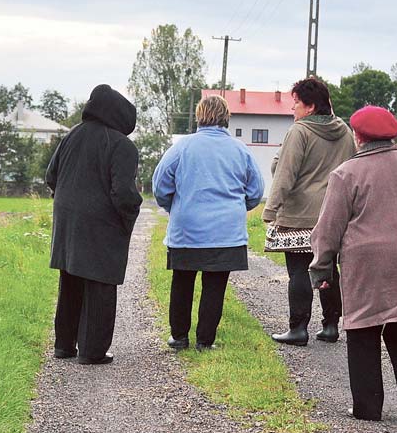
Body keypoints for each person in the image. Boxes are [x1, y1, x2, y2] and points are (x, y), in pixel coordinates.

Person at [309, 105, 397, 420]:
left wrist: (321, 268)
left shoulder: (346, 174)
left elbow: (329, 227)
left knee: (363, 327)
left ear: (358, 137)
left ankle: (368, 407)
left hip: (367, 260)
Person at [152, 95, 264, 351]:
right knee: (215, 286)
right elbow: (256, 191)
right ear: (226, 117)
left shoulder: (181, 147)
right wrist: (236, 208)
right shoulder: (240, 150)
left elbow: (160, 186)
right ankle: (205, 340)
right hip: (226, 233)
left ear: (199, 116)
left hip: (187, 230)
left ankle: (179, 336)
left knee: (182, 281)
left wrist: (175, 207)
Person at [45, 84, 142, 365]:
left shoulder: (71, 135)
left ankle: (64, 345)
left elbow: (52, 176)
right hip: (102, 225)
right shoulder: (122, 145)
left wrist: (67, 201)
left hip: (67, 222)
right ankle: (92, 351)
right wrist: (129, 215)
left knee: (71, 280)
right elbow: (123, 192)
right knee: (101, 285)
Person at [262, 77, 355, 346]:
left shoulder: (299, 131)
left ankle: (298, 328)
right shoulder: (345, 132)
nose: (293, 109)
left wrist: (271, 209)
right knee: (329, 270)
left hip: (300, 214)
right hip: (335, 214)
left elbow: (285, 173)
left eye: (296, 104)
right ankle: (330, 326)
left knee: (299, 271)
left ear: (311, 106)